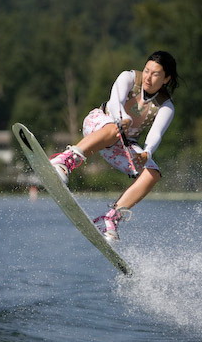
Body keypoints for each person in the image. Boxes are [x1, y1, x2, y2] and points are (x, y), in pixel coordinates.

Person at [50, 50, 179, 241]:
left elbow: (156, 134)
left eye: (155, 74)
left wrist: (146, 153)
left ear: (166, 79)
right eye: (146, 71)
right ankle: (65, 161)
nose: (148, 77)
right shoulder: (128, 77)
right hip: (99, 125)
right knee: (113, 129)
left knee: (152, 173)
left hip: (122, 145)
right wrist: (122, 118)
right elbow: (114, 102)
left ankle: (111, 218)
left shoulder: (166, 106)